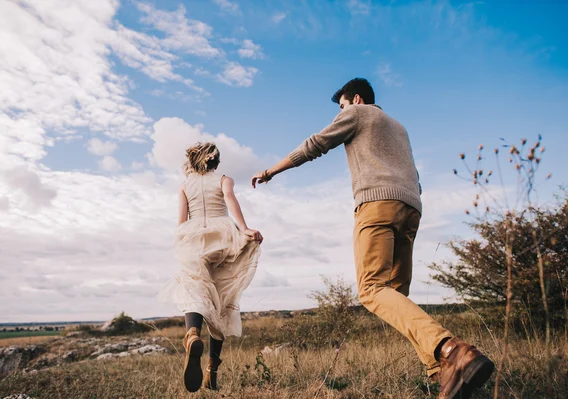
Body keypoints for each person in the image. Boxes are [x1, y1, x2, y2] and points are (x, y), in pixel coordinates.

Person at [251, 78, 494, 398]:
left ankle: (451, 350)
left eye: (342, 106)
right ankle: (439, 374)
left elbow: (315, 144)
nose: (341, 112)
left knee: (371, 290)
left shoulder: (360, 112)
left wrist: (270, 171)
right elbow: (414, 175)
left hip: (378, 205)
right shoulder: (399, 127)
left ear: (356, 98)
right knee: (396, 296)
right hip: (410, 208)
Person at [160, 142, 263, 393]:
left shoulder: (185, 186)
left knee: (194, 288)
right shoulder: (224, 180)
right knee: (221, 305)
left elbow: (181, 220)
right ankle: (211, 374)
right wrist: (244, 229)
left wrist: (182, 240)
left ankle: (192, 334)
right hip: (222, 239)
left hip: (194, 239)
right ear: (215, 161)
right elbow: (230, 201)